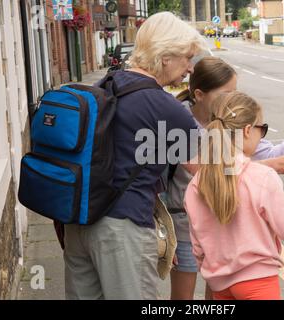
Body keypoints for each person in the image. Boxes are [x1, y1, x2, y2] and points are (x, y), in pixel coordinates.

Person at [63, 12, 205, 300]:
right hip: (123, 230)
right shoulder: (168, 108)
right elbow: (206, 169)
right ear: (166, 56)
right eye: (187, 57)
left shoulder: (105, 85)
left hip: (79, 224)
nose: (190, 68)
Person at [168, 56, 284, 300]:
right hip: (256, 281)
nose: (231, 99)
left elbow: (199, 246)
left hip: (219, 276)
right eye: (226, 93)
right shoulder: (180, 128)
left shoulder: (196, 186)